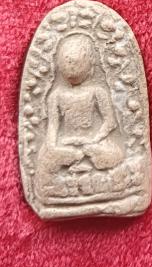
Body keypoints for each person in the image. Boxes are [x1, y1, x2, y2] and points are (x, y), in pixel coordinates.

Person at [37, 33, 124, 179]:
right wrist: (52, 147)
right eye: (67, 62)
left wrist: (94, 140)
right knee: (45, 159)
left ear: (90, 64)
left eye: (76, 62)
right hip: (65, 144)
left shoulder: (97, 91)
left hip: (93, 143)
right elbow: (52, 126)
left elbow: (110, 122)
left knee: (114, 155)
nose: (71, 66)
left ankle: (85, 167)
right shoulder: (56, 95)